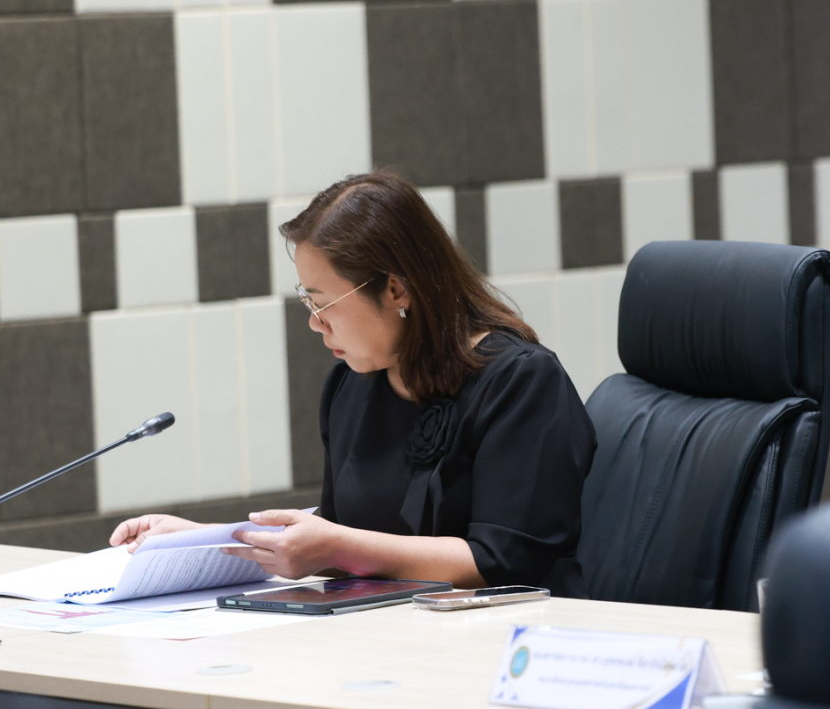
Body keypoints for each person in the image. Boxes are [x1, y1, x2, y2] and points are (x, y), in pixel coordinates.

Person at [109, 170, 596, 593]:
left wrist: (336, 546)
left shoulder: (521, 382)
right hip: (387, 634)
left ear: (396, 288)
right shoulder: (350, 386)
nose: (314, 323)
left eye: (324, 303)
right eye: (308, 302)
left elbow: (503, 560)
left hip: (504, 639)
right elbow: (336, 537)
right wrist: (202, 540)